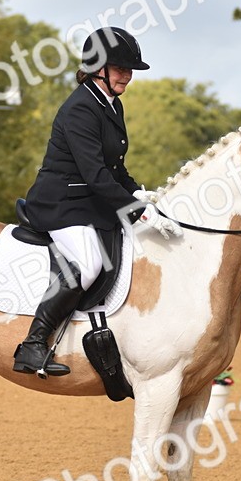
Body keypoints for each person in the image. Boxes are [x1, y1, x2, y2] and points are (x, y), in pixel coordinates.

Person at [13, 26, 181, 377]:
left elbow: (114, 168)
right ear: (97, 68)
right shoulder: (80, 108)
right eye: (120, 68)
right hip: (62, 203)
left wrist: (139, 194)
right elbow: (95, 174)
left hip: (89, 201)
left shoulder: (110, 104)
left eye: (130, 69)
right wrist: (138, 213)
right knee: (88, 263)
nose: (127, 76)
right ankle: (33, 344)